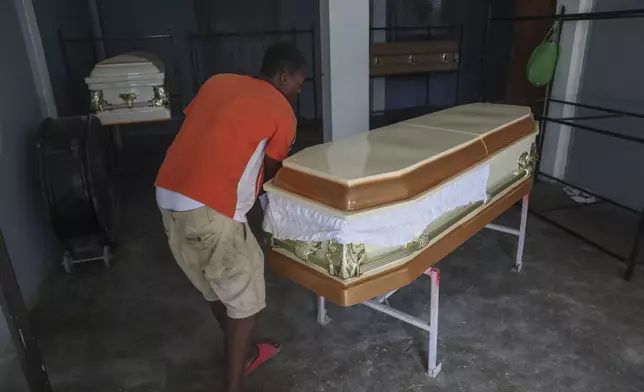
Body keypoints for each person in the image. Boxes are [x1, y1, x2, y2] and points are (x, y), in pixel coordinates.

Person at [155, 42, 305, 392]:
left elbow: (208, 128)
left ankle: (248, 351)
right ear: (283, 77)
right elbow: (273, 170)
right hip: (210, 208)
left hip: (166, 196)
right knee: (245, 294)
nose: (299, 89)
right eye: (299, 82)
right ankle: (232, 384)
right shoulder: (281, 111)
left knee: (215, 286)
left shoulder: (217, 82)